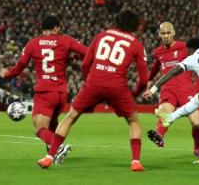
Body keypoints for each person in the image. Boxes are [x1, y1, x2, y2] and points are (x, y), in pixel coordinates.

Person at [37, 10, 148, 171]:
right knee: (133, 121)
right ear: (134, 25)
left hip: (94, 83)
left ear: (117, 20)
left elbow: (85, 64)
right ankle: (136, 162)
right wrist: (134, 94)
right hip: (117, 86)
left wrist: (88, 82)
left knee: (70, 117)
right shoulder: (137, 44)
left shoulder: (102, 35)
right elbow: (144, 80)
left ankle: (48, 157)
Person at [0, 15, 88, 164]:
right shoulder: (66, 40)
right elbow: (88, 52)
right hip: (61, 93)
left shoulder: (33, 43)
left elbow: (20, 66)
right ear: (57, 28)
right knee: (53, 122)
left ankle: (58, 148)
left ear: (42, 29)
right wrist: (74, 58)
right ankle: (52, 151)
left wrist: (6, 74)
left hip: (45, 92)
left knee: (39, 128)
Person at [146, 22, 199, 158]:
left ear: (174, 33)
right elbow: (155, 67)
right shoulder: (158, 52)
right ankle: (159, 136)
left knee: (196, 124)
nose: (165, 36)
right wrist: (149, 81)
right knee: (165, 114)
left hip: (186, 89)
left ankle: (197, 148)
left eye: (168, 33)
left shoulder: (185, 47)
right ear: (159, 34)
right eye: (163, 33)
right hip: (168, 89)